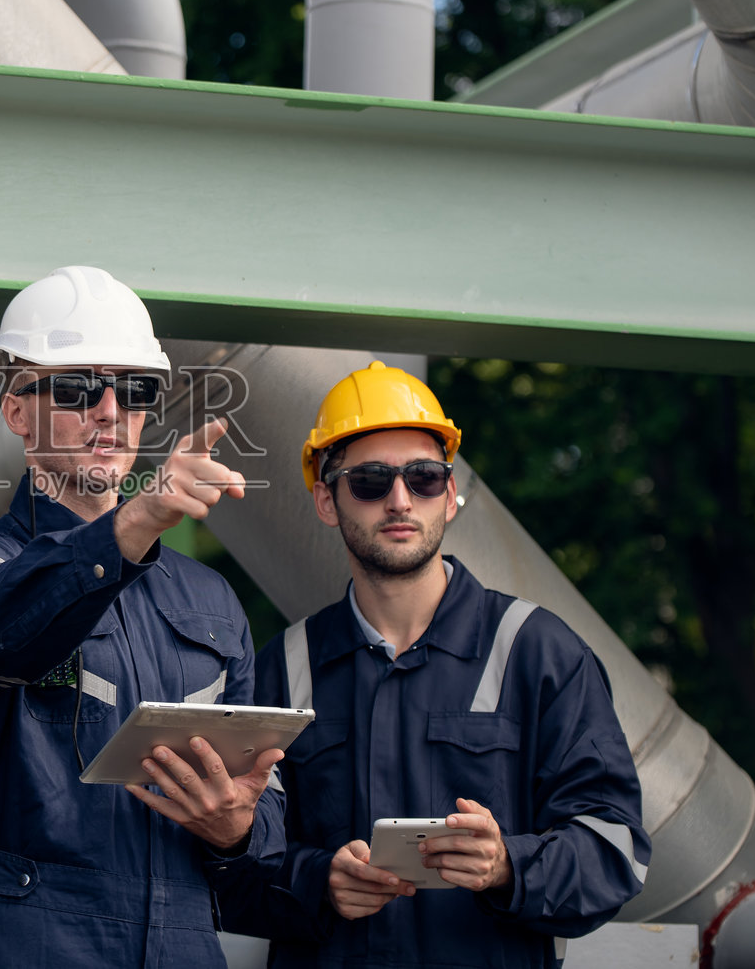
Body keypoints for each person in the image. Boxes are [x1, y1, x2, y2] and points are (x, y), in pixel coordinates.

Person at [0, 265, 287, 966]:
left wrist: (239, 829)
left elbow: (266, 811)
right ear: (17, 412)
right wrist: (133, 524)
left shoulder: (211, 599)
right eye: (78, 388)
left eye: (134, 390)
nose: (110, 410)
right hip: (29, 944)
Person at [249, 361, 649, 968]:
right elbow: (231, 858)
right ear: (327, 501)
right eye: (370, 481)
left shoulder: (537, 652)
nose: (400, 500)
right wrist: (317, 882)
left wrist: (509, 866)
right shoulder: (283, 667)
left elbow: (615, 849)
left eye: (424, 478)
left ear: (451, 495)